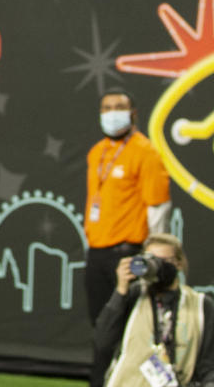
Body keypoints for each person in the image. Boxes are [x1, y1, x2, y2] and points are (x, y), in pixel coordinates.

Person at [84, 88, 171, 387]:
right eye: (106, 107)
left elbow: (158, 207)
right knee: (101, 327)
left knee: (131, 328)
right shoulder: (97, 152)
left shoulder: (145, 152)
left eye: (119, 107)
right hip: (96, 253)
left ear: (133, 113)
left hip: (128, 252)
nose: (112, 112)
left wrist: (152, 256)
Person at [94, 234, 214, 387]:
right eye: (150, 259)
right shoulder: (133, 296)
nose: (155, 267)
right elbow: (102, 343)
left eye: (162, 261)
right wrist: (121, 290)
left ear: (178, 263)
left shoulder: (200, 305)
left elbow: (208, 364)